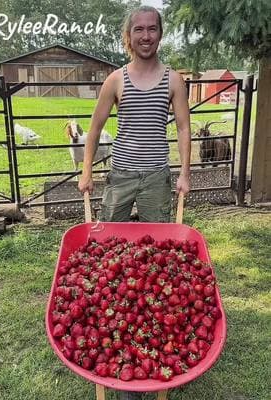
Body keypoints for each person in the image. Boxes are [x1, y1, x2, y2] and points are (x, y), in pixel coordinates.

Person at [79, 5, 190, 397]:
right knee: (109, 247)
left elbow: (182, 126)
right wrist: (88, 170)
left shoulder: (173, 80)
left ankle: (153, 315)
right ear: (130, 35)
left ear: (160, 34)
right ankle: (110, 315)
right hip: (121, 177)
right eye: (139, 29)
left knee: (160, 251)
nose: (146, 36)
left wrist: (186, 174)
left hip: (157, 178)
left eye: (152, 29)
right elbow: (93, 128)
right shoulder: (116, 80)